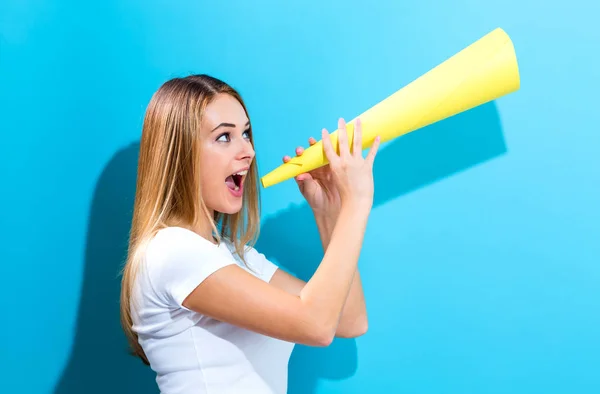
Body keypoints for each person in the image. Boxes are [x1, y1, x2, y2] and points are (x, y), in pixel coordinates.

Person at [119, 74, 381, 394]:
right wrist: (357, 203)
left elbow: (349, 321)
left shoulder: (230, 256)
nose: (248, 151)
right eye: (224, 137)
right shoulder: (172, 251)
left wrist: (329, 213)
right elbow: (317, 325)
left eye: (245, 133)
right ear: (180, 155)